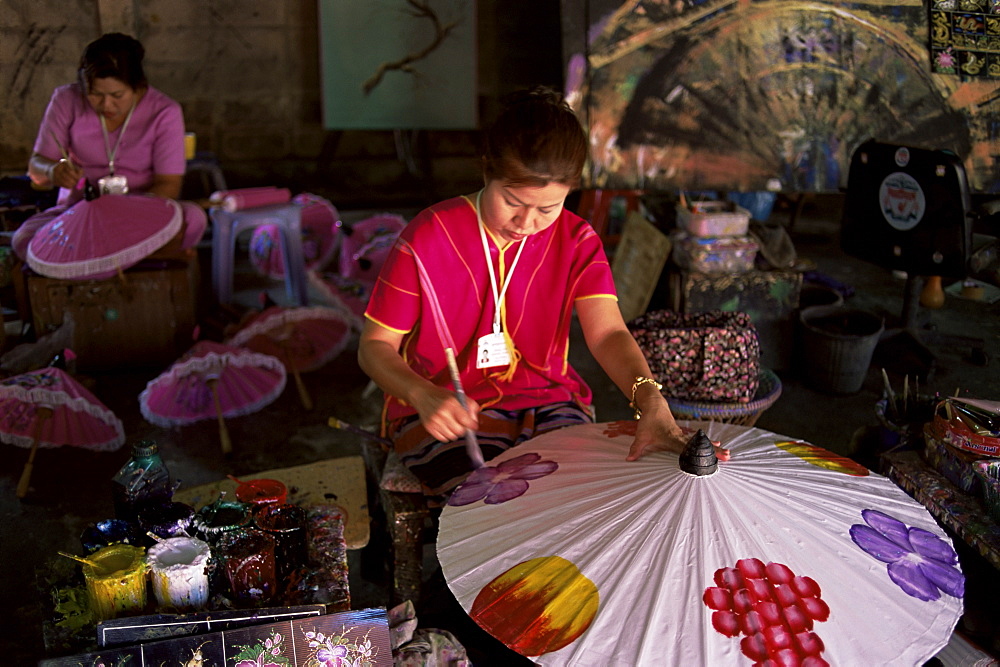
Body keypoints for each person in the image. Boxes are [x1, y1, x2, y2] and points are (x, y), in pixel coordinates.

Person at [358, 87, 729, 502]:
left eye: (548, 208)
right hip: (444, 410)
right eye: (512, 202)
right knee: (490, 500)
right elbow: (374, 346)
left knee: (577, 496)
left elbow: (607, 334)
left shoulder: (578, 241)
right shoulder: (427, 237)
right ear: (486, 173)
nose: (526, 223)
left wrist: (652, 401)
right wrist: (421, 393)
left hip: (549, 401)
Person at [13, 32, 206, 266]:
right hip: (79, 215)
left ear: (138, 86)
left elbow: (169, 185)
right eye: (95, 94)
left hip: (140, 215)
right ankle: (136, 257)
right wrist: (53, 171)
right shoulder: (65, 100)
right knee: (25, 240)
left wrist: (120, 215)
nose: (106, 105)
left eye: (117, 95)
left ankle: (94, 261)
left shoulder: (165, 111)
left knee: (193, 219)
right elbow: (36, 168)